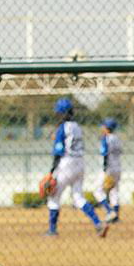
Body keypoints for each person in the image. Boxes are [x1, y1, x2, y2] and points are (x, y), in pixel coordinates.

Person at [45, 98, 108, 237]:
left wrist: (51, 172)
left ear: (61, 113)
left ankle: (52, 230)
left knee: (54, 197)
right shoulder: (77, 127)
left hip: (66, 163)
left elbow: (58, 151)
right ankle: (98, 223)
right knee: (78, 197)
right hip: (80, 163)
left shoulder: (62, 128)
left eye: (58, 113)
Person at [93, 118, 123, 224]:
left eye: (103, 126)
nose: (102, 128)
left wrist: (105, 170)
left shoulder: (105, 138)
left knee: (97, 191)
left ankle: (110, 212)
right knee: (114, 191)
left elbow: (104, 153)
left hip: (108, 168)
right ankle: (116, 217)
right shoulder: (117, 138)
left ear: (106, 127)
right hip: (118, 167)